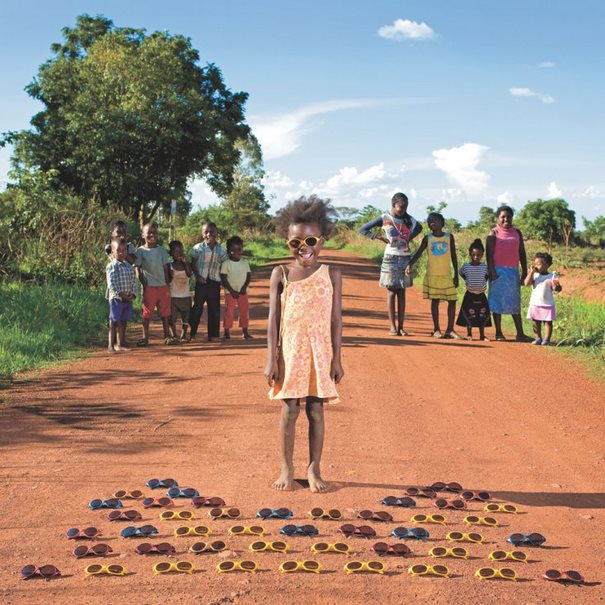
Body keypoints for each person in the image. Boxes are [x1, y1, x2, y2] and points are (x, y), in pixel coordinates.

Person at [265, 197, 344, 493]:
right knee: (289, 410)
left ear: (322, 240)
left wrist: (337, 359)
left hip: (320, 353)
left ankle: (314, 468)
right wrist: (271, 358)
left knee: (316, 411)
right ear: (288, 242)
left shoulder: (332, 274)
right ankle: (287, 466)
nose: (304, 247)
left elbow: (337, 320)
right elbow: (273, 321)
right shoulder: (281, 274)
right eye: (296, 241)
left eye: (310, 239)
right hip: (290, 353)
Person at [358, 192, 422, 335]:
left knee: (402, 292)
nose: (404, 210)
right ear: (394, 205)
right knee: (391, 291)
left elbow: (419, 228)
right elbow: (362, 229)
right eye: (401, 207)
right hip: (390, 258)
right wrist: (379, 237)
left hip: (405, 258)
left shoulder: (408, 220)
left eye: (406, 207)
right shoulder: (385, 218)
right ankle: (392, 327)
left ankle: (401, 327)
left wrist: (408, 238)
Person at [407, 212, 461, 339]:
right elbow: (419, 252)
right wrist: (410, 264)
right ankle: (436, 329)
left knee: (452, 300)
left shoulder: (449, 237)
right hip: (433, 275)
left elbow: (453, 256)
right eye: (429, 220)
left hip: (447, 275)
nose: (432, 222)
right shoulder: (428, 238)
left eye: (435, 220)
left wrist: (456, 275)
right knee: (435, 300)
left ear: (442, 223)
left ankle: (450, 330)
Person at [486, 205, 531, 341]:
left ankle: (520, 334)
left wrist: (524, 270)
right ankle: (499, 333)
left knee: (514, 303)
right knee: (497, 302)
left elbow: (521, 252)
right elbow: (489, 255)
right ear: (497, 219)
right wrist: (492, 271)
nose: (506, 219)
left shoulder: (517, 232)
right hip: (498, 271)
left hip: (512, 272)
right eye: (503, 217)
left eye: (509, 216)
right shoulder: (493, 233)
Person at [134, 223, 174, 346]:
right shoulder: (140, 251)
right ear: (143, 235)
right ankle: (145, 338)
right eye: (149, 233)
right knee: (146, 314)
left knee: (165, 313)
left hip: (162, 286)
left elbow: (166, 268)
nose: (152, 235)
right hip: (149, 287)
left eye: (154, 233)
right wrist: (142, 281)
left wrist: (167, 285)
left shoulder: (161, 250)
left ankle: (167, 335)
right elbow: (138, 268)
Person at [190, 222, 228, 342]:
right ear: (202, 234)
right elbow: (193, 264)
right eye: (206, 232)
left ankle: (213, 335)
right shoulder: (197, 248)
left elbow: (225, 265)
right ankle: (192, 334)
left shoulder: (221, 251)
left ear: (216, 234)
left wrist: (222, 280)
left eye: (212, 232)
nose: (209, 234)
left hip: (214, 283)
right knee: (197, 309)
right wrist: (197, 276)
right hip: (201, 283)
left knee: (214, 309)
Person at [455, 239, 491, 341]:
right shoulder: (466, 266)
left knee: (482, 315)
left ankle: (482, 335)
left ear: (482, 255)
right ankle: (469, 334)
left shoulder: (484, 267)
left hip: (481, 294)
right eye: (473, 255)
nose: (476, 257)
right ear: (470, 254)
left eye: (478, 255)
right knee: (469, 314)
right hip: (469, 295)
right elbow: (461, 273)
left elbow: (487, 276)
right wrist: (468, 280)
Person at [106, 238, 137, 353]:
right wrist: (121, 294)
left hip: (127, 299)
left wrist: (133, 294)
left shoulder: (129, 267)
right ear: (112, 252)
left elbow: (134, 281)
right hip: (116, 299)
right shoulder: (112, 266)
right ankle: (110, 345)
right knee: (114, 321)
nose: (122, 253)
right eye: (118, 250)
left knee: (123, 321)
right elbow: (111, 283)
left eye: (124, 251)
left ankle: (120, 344)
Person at [524, 252, 562, 346]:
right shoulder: (535, 275)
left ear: (547, 265)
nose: (536, 266)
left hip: (547, 303)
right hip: (535, 303)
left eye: (538, 264)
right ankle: (538, 338)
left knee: (548, 322)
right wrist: (531, 273)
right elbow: (527, 283)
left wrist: (556, 287)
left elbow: (556, 288)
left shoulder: (552, 276)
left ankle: (547, 339)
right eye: (535, 264)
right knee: (535, 321)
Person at [220, 235, 252, 340]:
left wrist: (244, 287)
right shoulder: (226, 264)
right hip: (230, 293)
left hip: (243, 292)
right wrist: (231, 291)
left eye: (239, 249)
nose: (237, 252)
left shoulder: (245, 263)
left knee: (244, 311)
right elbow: (224, 279)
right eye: (233, 250)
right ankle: (227, 333)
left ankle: (245, 332)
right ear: (228, 251)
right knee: (229, 312)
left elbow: (248, 276)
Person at [168, 240, 193, 342]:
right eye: (176, 252)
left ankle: (183, 335)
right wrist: (170, 274)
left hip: (185, 296)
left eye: (181, 251)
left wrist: (186, 263)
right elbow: (168, 280)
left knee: (185, 317)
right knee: (172, 318)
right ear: (171, 254)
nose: (179, 253)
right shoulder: (170, 266)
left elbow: (189, 274)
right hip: (173, 296)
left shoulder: (187, 264)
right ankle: (174, 335)